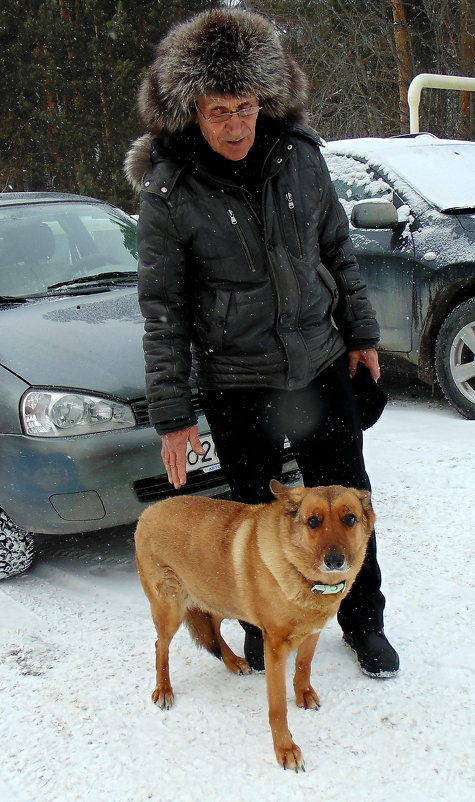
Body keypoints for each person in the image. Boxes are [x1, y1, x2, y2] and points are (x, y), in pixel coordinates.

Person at [125, 8, 399, 678]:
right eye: (217, 111)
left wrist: (361, 333)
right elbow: (164, 308)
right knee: (256, 510)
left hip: (318, 365)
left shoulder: (299, 156)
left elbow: (336, 249)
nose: (233, 126)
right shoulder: (170, 189)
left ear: (263, 101)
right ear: (192, 109)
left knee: (345, 501)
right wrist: (173, 414)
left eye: (244, 107)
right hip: (236, 378)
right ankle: (259, 619)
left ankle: (363, 623)